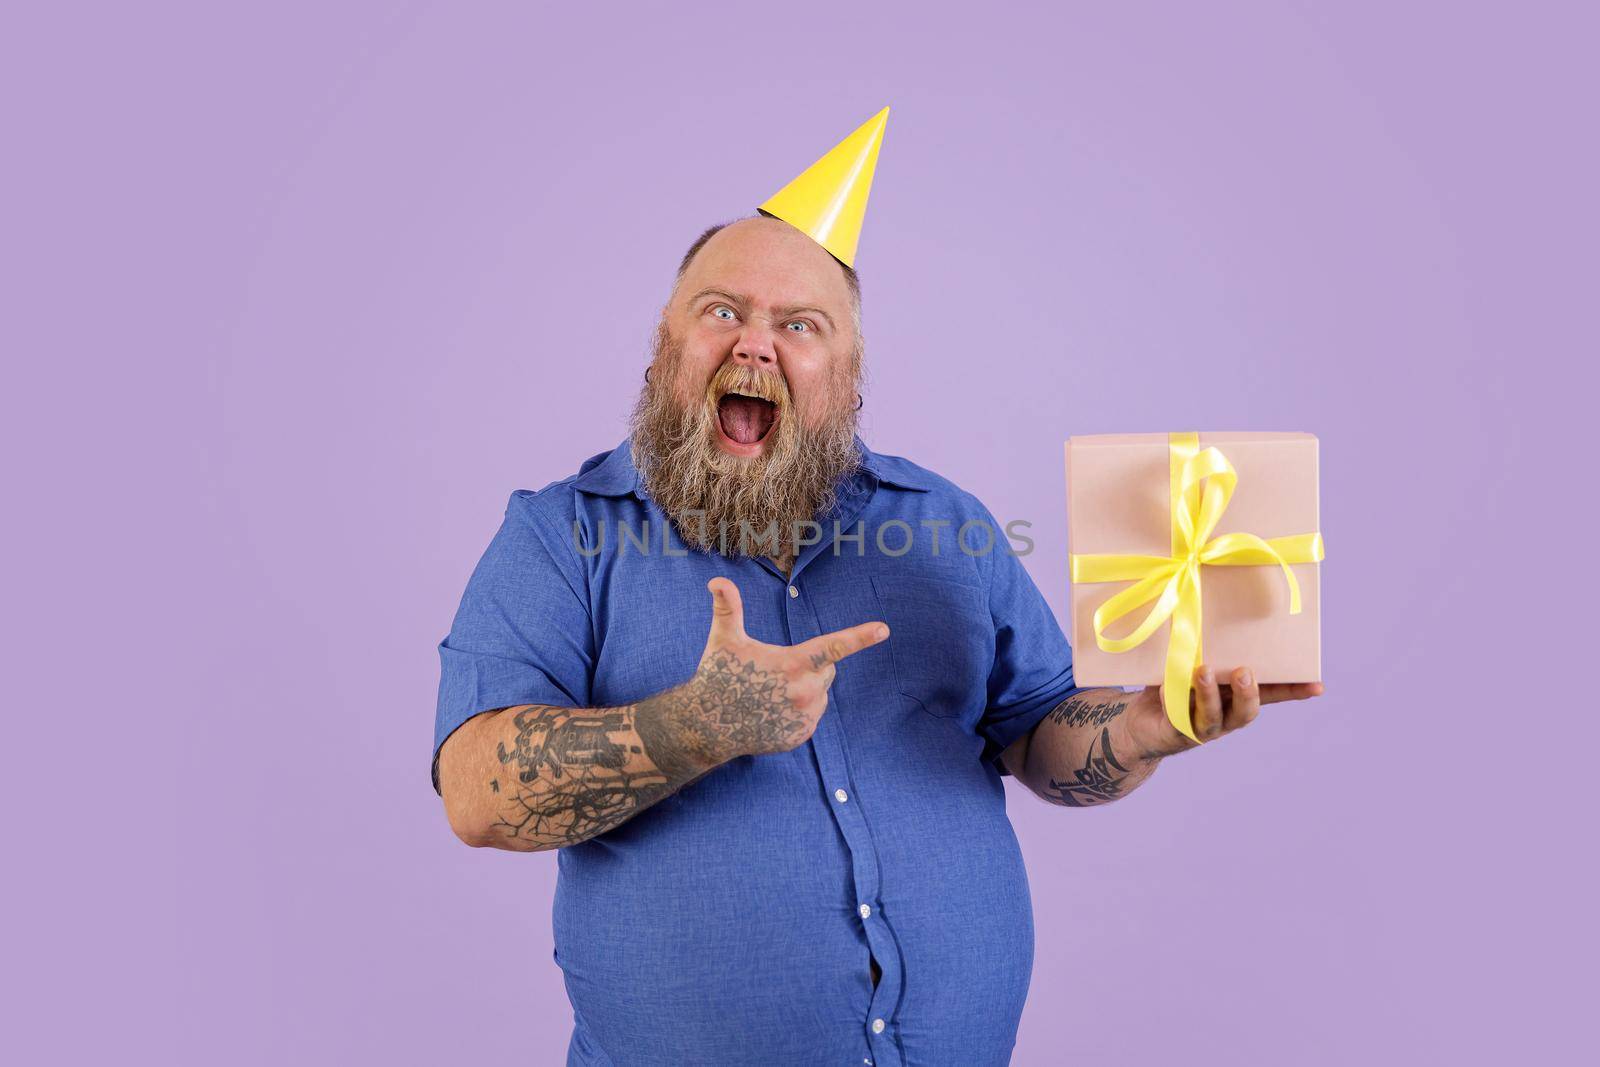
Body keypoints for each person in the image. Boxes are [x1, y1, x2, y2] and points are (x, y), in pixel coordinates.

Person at [432, 112, 1323, 1067]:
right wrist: (698, 723)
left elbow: (1034, 733)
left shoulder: (946, 524)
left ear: (848, 378)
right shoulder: (562, 534)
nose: (756, 345)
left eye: (799, 325)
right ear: (663, 347)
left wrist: (1145, 727)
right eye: (721, 310)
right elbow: (476, 793)